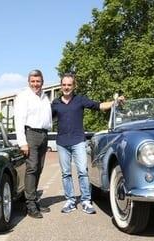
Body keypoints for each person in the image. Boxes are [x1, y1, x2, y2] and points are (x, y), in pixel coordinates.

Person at [51, 73, 124, 214]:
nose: (66, 87)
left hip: (78, 141)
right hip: (62, 143)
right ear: (61, 86)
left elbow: (99, 106)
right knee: (66, 173)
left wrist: (114, 103)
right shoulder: (55, 103)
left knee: (83, 172)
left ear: (74, 86)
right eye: (64, 85)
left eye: (69, 85)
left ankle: (85, 201)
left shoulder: (80, 100)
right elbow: (45, 117)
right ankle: (70, 201)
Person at [14, 69, 52, 218]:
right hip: (30, 134)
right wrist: (22, 142)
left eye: (38, 81)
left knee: (39, 168)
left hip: (43, 134)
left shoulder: (44, 97)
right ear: (28, 82)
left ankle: (34, 200)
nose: (35, 84)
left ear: (42, 82)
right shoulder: (23, 96)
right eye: (33, 82)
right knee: (32, 168)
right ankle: (30, 205)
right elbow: (19, 120)